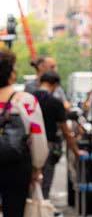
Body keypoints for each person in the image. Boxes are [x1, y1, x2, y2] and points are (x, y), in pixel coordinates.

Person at [0, 49, 49, 217]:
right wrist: (38, 166)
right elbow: (38, 137)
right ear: (11, 73)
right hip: (15, 167)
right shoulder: (25, 101)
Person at [30, 71, 76, 203]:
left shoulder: (28, 99)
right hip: (48, 145)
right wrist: (76, 150)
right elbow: (65, 130)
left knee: (30, 182)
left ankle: (29, 211)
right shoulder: (55, 102)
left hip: (29, 146)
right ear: (55, 85)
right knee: (45, 182)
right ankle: (42, 210)